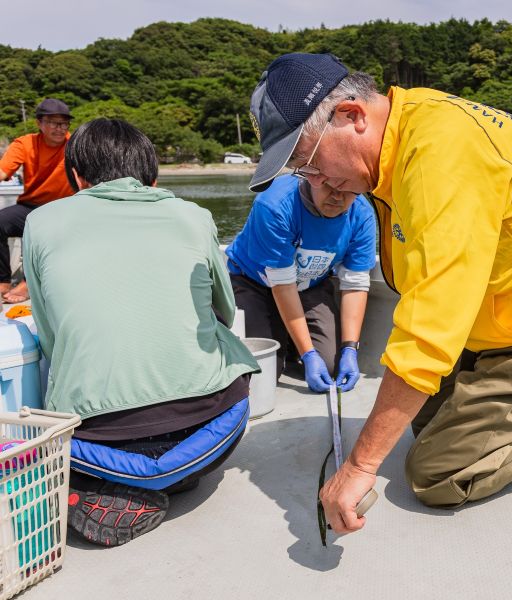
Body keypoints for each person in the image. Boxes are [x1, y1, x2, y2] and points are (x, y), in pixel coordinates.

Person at [246, 53, 512, 535]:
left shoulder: (442, 155)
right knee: (422, 426)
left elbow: (429, 329)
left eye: (308, 163)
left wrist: (357, 468)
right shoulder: (400, 134)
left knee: (440, 473)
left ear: (352, 116)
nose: (317, 183)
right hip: (495, 327)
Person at [24, 118, 260, 547]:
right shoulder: (193, 215)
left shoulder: (40, 223)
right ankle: (175, 476)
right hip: (211, 426)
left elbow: (50, 338)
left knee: (60, 415)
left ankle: (116, 486)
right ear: (151, 178)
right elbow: (226, 312)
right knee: (236, 376)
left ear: (76, 177)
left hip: (96, 443)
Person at [226, 173, 375, 393]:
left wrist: (350, 348)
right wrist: (308, 354)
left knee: (330, 364)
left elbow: (355, 283)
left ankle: (289, 338)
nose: (337, 197)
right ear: (310, 177)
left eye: (348, 189)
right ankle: (285, 341)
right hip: (254, 281)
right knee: (263, 372)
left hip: (310, 284)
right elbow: (283, 286)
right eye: (330, 186)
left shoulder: (362, 215)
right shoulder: (274, 205)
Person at [0, 98, 74, 303]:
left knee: (37, 226)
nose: (59, 128)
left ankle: (27, 283)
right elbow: (3, 170)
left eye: (64, 123)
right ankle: (3, 281)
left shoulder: (75, 144)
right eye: (53, 122)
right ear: (39, 123)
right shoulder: (25, 143)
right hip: (30, 206)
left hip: (64, 208)